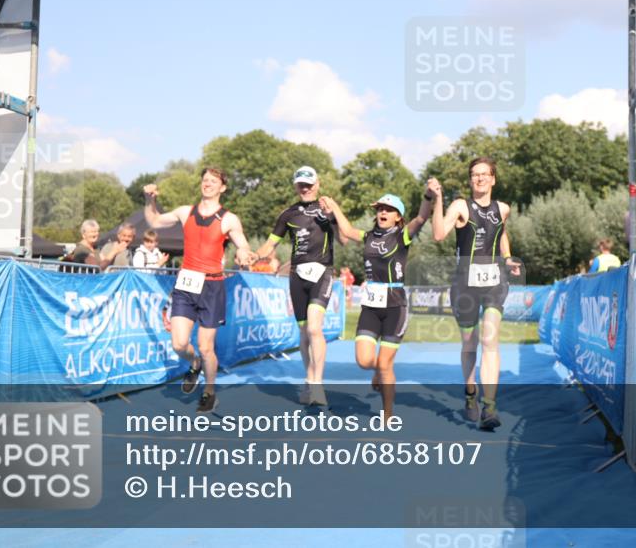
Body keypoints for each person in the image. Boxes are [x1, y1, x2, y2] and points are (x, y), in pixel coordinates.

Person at [143, 167, 256, 413]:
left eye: (213, 181)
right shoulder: (186, 212)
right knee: (179, 344)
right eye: (205, 180)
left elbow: (243, 244)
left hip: (212, 286)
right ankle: (193, 363)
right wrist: (150, 200)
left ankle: (209, 392)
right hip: (186, 284)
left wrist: (243, 252)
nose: (207, 184)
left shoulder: (228, 218)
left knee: (207, 347)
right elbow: (154, 220)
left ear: (222, 188)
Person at [320, 185, 434, 418]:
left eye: (389, 209)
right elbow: (348, 230)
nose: (383, 212)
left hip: (395, 308)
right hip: (371, 308)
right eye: (380, 208)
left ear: (397, 217)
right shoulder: (369, 236)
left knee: (384, 364)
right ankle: (380, 371)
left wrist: (428, 196)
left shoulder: (402, 236)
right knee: (364, 361)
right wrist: (335, 207)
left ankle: (388, 413)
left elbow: (422, 218)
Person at [431, 157, 520, 430]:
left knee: (490, 339)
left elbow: (501, 233)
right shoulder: (460, 206)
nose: (479, 179)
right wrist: (438, 199)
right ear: (471, 180)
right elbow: (438, 234)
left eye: (484, 174)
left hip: (494, 281)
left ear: (493, 179)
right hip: (464, 284)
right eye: (474, 175)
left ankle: (489, 408)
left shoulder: (502, 209)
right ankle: (471, 392)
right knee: (470, 344)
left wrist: (507, 258)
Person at [255, 166, 339, 406]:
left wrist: (333, 214)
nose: (305, 188)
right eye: (301, 184)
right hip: (297, 276)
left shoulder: (327, 209)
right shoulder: (288, 214)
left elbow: (343, 235)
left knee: (314, 329)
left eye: (309, 184)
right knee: (304, 332)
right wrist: (254, 256)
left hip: (322, 272)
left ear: (317, 184)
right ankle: (308, 378)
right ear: (295, 186)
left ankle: (317, 384)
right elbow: (270, 244)